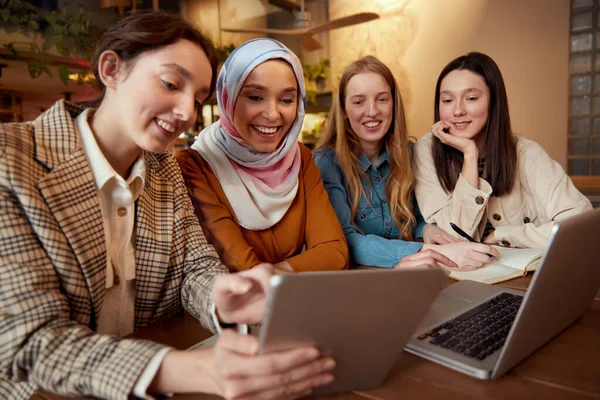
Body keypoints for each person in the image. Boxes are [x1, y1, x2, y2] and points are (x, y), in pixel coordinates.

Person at [0, 13, 334, 400]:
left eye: (197, 98)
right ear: (112, 70)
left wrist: (221, 296)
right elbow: (28, 341)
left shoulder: (163, 169)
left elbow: (196, 268)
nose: (186, 113)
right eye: (171, 84)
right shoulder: (11, 160)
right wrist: (178, 369)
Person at [176, 38, 348, 273]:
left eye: (286, 100)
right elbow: (238, 266)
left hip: (293, 302)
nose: (272, 114)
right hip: (231, 308)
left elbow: (334, 251)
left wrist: (274, 275)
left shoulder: (299, 158)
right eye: (255, 97)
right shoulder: (195, 165)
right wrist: (298, 267)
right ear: (228, 97)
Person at [314, 55, 498, 270]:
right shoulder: (326, 163)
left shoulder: (409, 153)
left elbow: (416, 218)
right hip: (359, 283)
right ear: (344, 110)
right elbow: (344, 240)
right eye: (358, 102)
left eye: (382, 99)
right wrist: (426, 251)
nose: (372, 111)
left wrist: (427, 230)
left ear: (394, 104)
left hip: (410, 275)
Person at [414, 52, 592, 249]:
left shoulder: (526, 153)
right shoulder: (426, 151)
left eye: (471, 98)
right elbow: (455, 237)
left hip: (521, 275)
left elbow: (580, 228)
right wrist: (470, 155)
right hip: (458, 273)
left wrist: (503, 235)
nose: (457, 111)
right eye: (447, 100)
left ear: (494, 101)